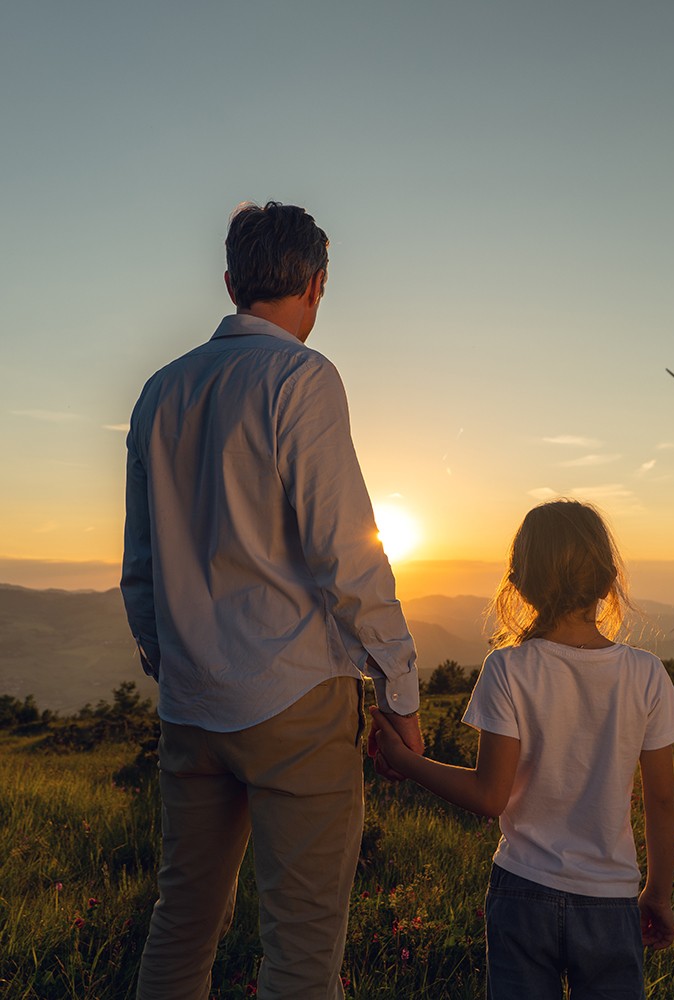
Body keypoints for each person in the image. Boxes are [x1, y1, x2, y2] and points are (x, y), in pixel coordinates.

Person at [120, 200, 423, 1000]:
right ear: (317, 286)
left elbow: (141, 568)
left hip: (190, 706)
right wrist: (400, 686)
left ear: (229, 282)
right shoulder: (302, 377)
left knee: (181, 924)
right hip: (295, 699)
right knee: (300, 948)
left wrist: (170, 658)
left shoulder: (160, 391)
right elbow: (347, 555)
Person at [372, 499, 674, 999]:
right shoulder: (646, 673)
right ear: (609, 582)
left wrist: (406, 761)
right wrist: (658, 893)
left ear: (518, 583)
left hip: (524, 892)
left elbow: (488, 796)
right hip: (610, 902)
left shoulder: (508, 668)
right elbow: (663, 799)